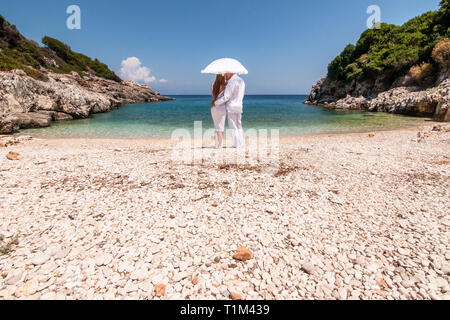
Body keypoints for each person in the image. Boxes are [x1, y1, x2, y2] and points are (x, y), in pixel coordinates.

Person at [212, 72, 246, 148]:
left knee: (233, 126)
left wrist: (216, 103)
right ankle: (240, 143)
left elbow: (226, 97)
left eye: (226, 74)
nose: (225, 76)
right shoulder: (241, 81)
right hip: (239, 105)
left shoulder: (231, 82)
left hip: (232, 106)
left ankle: (236, 144)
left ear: (230, 72)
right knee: (239, 125)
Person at [210, 74, 227, 149]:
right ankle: (220, 144)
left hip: (214, 107)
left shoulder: (213, 85)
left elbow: (213, 97)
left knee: (216, 126)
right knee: (221, 126)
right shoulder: (225, 86)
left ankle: (216, 144)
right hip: (221, 107)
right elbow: (226, 97)